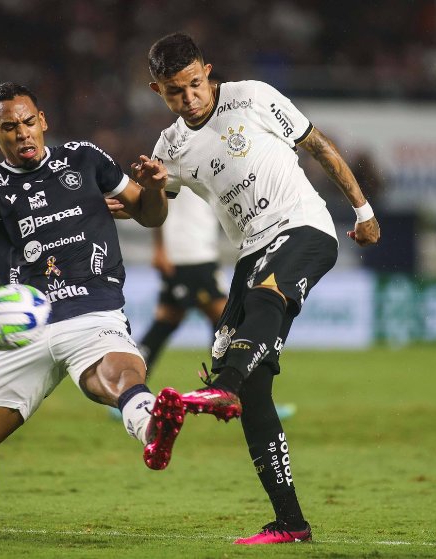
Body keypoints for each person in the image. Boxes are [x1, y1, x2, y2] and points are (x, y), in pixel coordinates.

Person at [0, 82, 177, 539]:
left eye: (29, 122)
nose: (23, 133)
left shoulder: (85, 159)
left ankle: (153, 429)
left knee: (117, 378)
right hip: (24, 326)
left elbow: (151, 215)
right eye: (9, 127)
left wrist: (153, 189)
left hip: (93, 312)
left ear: (43, 120)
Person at [139, 33, 380, 545]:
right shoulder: (170, 147)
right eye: (176, 92)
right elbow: (153, 210)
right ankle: (290, 522)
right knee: (255, 392)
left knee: (264, 306)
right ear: (157, 89)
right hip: (250, 251)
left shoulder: (253, 96)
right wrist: (151, 188)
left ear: (208, 70)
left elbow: (318, 146)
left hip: (305, 228)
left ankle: (220, 387)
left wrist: (362, 210)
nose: (191, 98)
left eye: (196, 84)